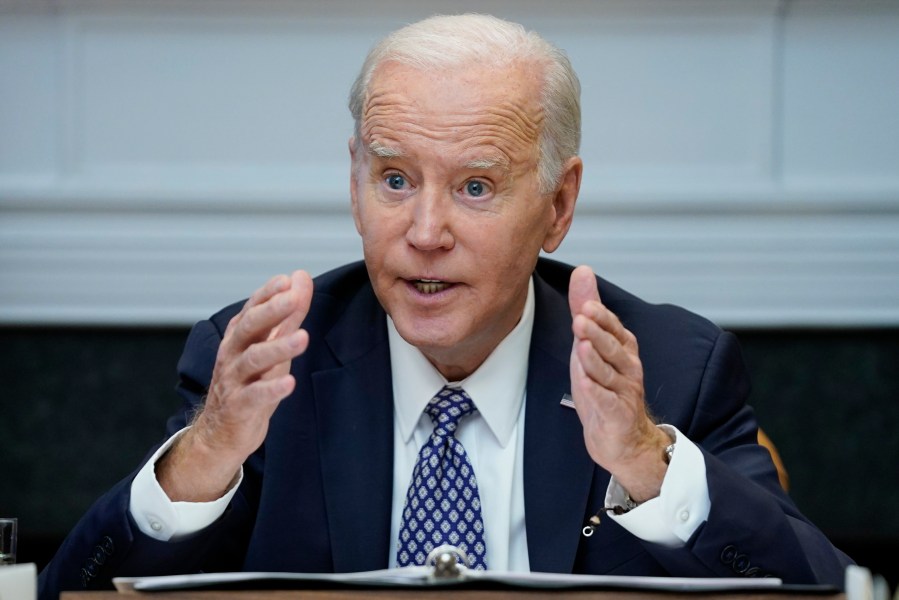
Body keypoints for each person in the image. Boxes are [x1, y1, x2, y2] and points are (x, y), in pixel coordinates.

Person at [38, 13, 852, 599]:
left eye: (474, 186)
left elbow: (818, 588)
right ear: (352, 180)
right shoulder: (268, 364)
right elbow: (69, 591)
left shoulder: (669, 366)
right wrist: (203, 457)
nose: (424, 232)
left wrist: (644, 460)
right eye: (393, 180)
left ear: (558, 206)